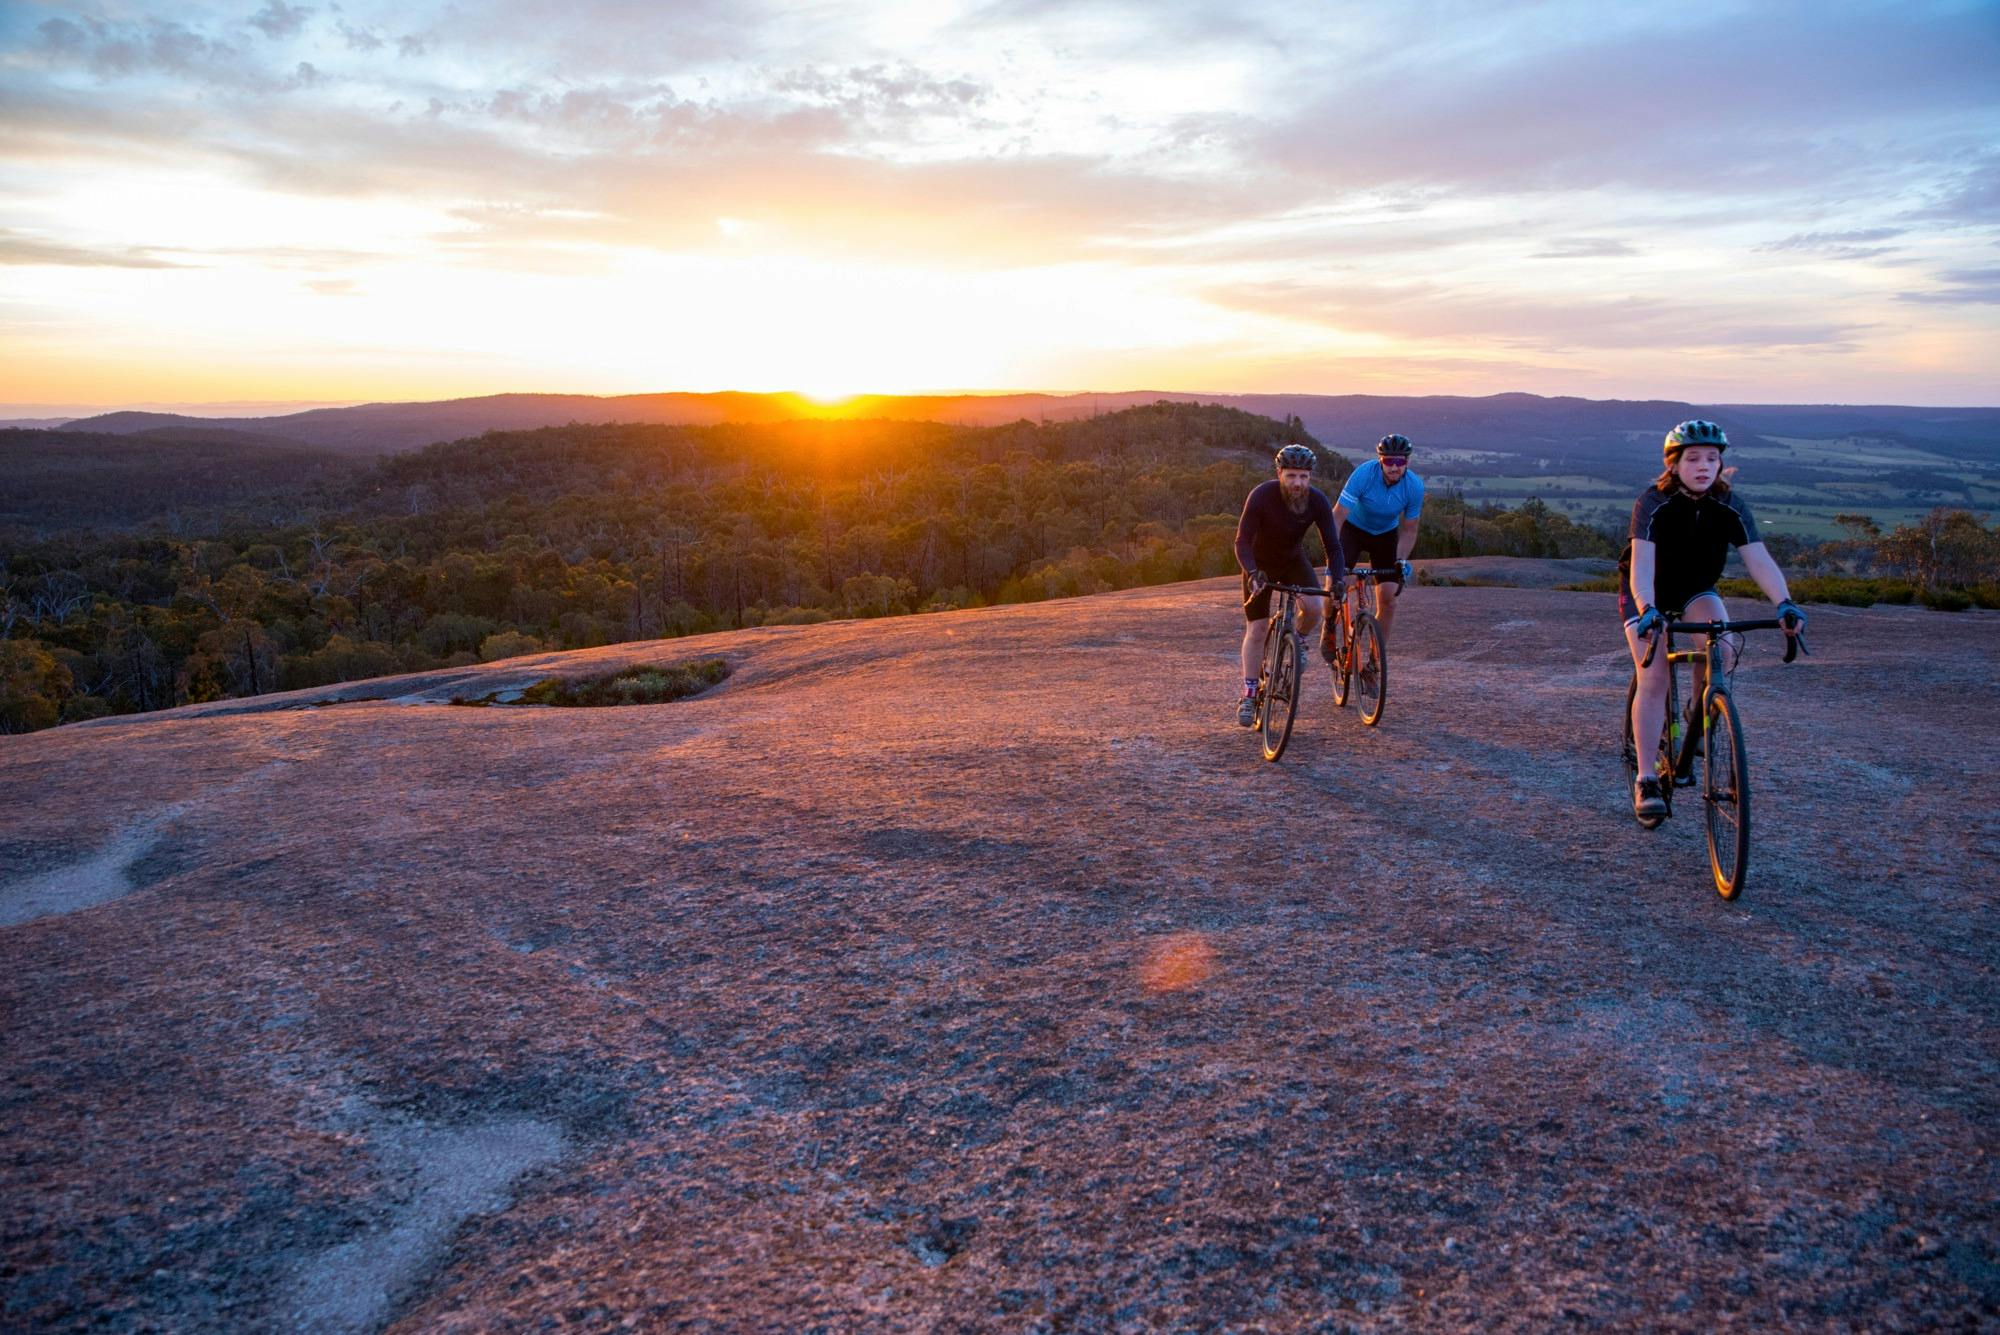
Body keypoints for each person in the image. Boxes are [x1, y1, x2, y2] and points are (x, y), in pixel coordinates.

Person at [1622, 419, 1805, 823]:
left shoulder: (1729, 505)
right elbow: (1642, 564)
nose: (1704, 466)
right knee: (1653, 676)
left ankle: (1696, 711)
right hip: (1647, 592)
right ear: (1673, 465)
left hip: (1694, 589)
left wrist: (1785, 602)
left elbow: (1758, 558)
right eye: (1693, 458)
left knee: (1719, 644)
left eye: (1712, 458)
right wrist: (1647, 608)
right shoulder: (1653, 502)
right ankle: (1647, 778)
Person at [1233, 443, 1344, 726]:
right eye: (1292, 475)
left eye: (1304, 477)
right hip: (1259, 565)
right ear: (1280, 473)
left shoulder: (1317, 501)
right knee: (1257, 629)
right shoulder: (1261, 496)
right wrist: (1253, 571)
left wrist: (1339, 580)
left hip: (1293, 560)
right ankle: (1248, 693)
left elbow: (1332, 545)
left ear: (1310, 478)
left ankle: (1298, 643)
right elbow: (1242, 541)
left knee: (1316, 608)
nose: (1298, 482)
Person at [1330, 434, 1423, 653]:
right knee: (1334, 586)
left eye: (1400, 462)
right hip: (1353, 530)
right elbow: (1337, 516)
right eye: (1389, 461)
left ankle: (1374, 660)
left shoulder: (1414, 487)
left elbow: (1410, 529)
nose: (1394, 467)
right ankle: (1329, 628)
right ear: (1380, 460)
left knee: (1389, 599)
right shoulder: (1363, 474)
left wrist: (1400, 560)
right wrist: (1333, 554)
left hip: (1384, 534)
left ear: (1407, 463)